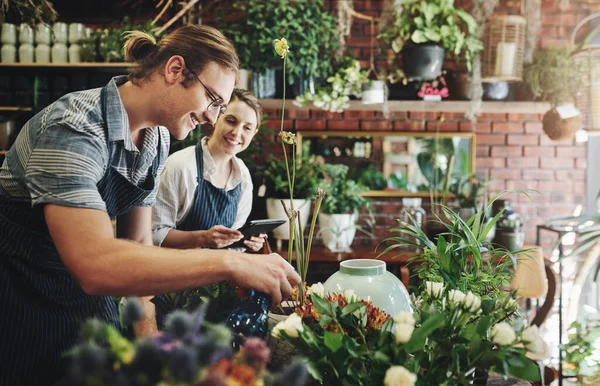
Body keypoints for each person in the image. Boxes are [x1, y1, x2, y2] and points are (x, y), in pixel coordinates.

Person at [0, 25, 300, 385]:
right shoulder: (74, 129)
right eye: (213, 100)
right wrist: (231, 262)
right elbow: (94, 263)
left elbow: (137, 249)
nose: (211, 117)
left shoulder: (155, 138)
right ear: (175, 70)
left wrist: (155, 357)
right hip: (23, 302)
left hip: (90, 306)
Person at [151, 88, 265, 252]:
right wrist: (202, 238)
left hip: (218, 274)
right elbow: (154, 235)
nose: (236, 132)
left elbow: (231, 246)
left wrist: (244, 242)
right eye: (231, 121)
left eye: (247, 128)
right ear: (216, 118)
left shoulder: (243, 176)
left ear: (254, 134)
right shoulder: (180, 166)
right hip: (176, 273)